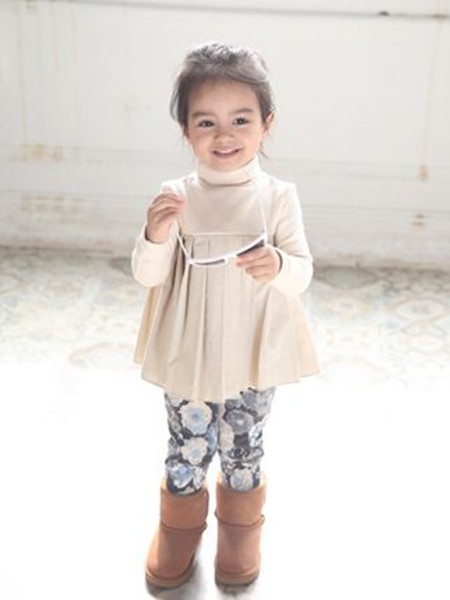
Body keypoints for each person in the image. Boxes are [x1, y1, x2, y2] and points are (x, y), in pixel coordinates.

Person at [131, 41, 319, 589]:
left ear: (266, 125)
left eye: (240, 120)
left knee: (243, 445)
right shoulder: (175, 195)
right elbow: (148, 275)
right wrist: (155, 233)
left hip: (254, 351)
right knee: (187, 447)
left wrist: (276, 264)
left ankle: (240, 531)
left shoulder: (278, 197)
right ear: (186, 131)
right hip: (190, 350)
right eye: (206, 122)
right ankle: (179, 529)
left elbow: (301, 273)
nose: (224, 135)